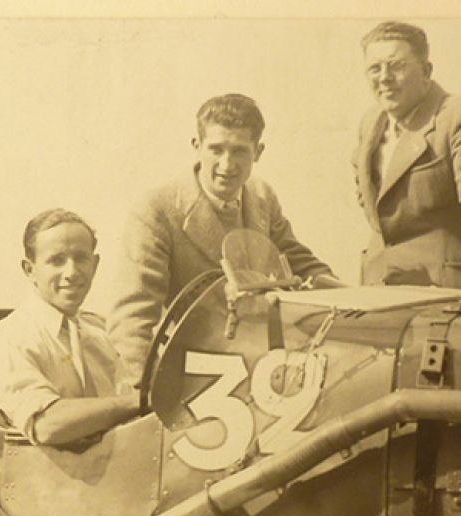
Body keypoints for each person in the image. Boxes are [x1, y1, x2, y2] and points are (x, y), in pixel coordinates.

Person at [107, 93, 342, 377]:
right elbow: (131, 321)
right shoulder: (156, 210)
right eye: (216, 149)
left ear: (258, 151)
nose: (227, 165)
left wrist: (356, 300)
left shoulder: (261, 196)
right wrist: (143, 397)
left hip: (263, 359)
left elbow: (299, 262)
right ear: (197, 146)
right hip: (192, 369)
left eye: (240, 151)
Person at [353, 21, 461, 296]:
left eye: (396, 66)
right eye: (375, 68)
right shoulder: (370, 123)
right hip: (378, 293)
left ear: (426, 71)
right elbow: (372, 200)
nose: (384, 77)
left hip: (445, 293)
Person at [0, 208, 139, 446]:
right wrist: (138, 402)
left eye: (81, 258)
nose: (71, 273)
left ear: (94, 265)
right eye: (56, 261)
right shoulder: (11, 339)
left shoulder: (99, 333)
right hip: (53, 479)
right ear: (29, 269)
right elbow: (46, 425)